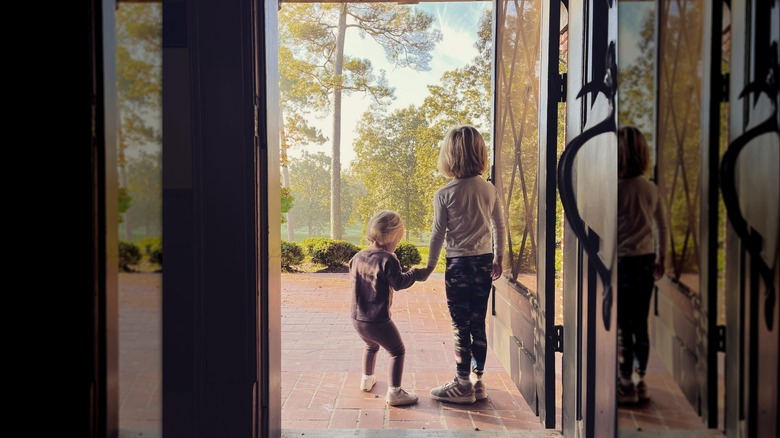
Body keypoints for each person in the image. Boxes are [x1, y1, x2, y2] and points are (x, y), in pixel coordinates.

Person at [419, 125, 506, 404]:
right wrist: (498, 256)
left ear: (449, 156)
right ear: (480, 153)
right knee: (477, 322)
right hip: (482, 263)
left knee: (460, 326)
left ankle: (461, 384)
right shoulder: (489, 189)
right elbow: (499, 226)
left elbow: (437, 234)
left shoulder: (445, 193)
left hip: (457, 265)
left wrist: (430, 267)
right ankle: (479, 381)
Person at [349, 210, 430, 406]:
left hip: (357, 318)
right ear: (391, 236)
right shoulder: (387, 259)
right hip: (378, 320)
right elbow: (399, 283)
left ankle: (366, 379)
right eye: (399, 238)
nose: (398, 243)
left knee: (370, 345)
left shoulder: (358, 257)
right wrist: (417, 274)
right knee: (397, 351)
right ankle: (395, 392)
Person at [616, 125, 668, 404]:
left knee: (623, 323)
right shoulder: (650, 189)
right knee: (640, 322)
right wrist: (662, 257)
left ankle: (625, 383)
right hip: (646, 261)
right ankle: (640, 378)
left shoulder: (615, 188)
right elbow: (662, 227)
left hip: (621, 263)